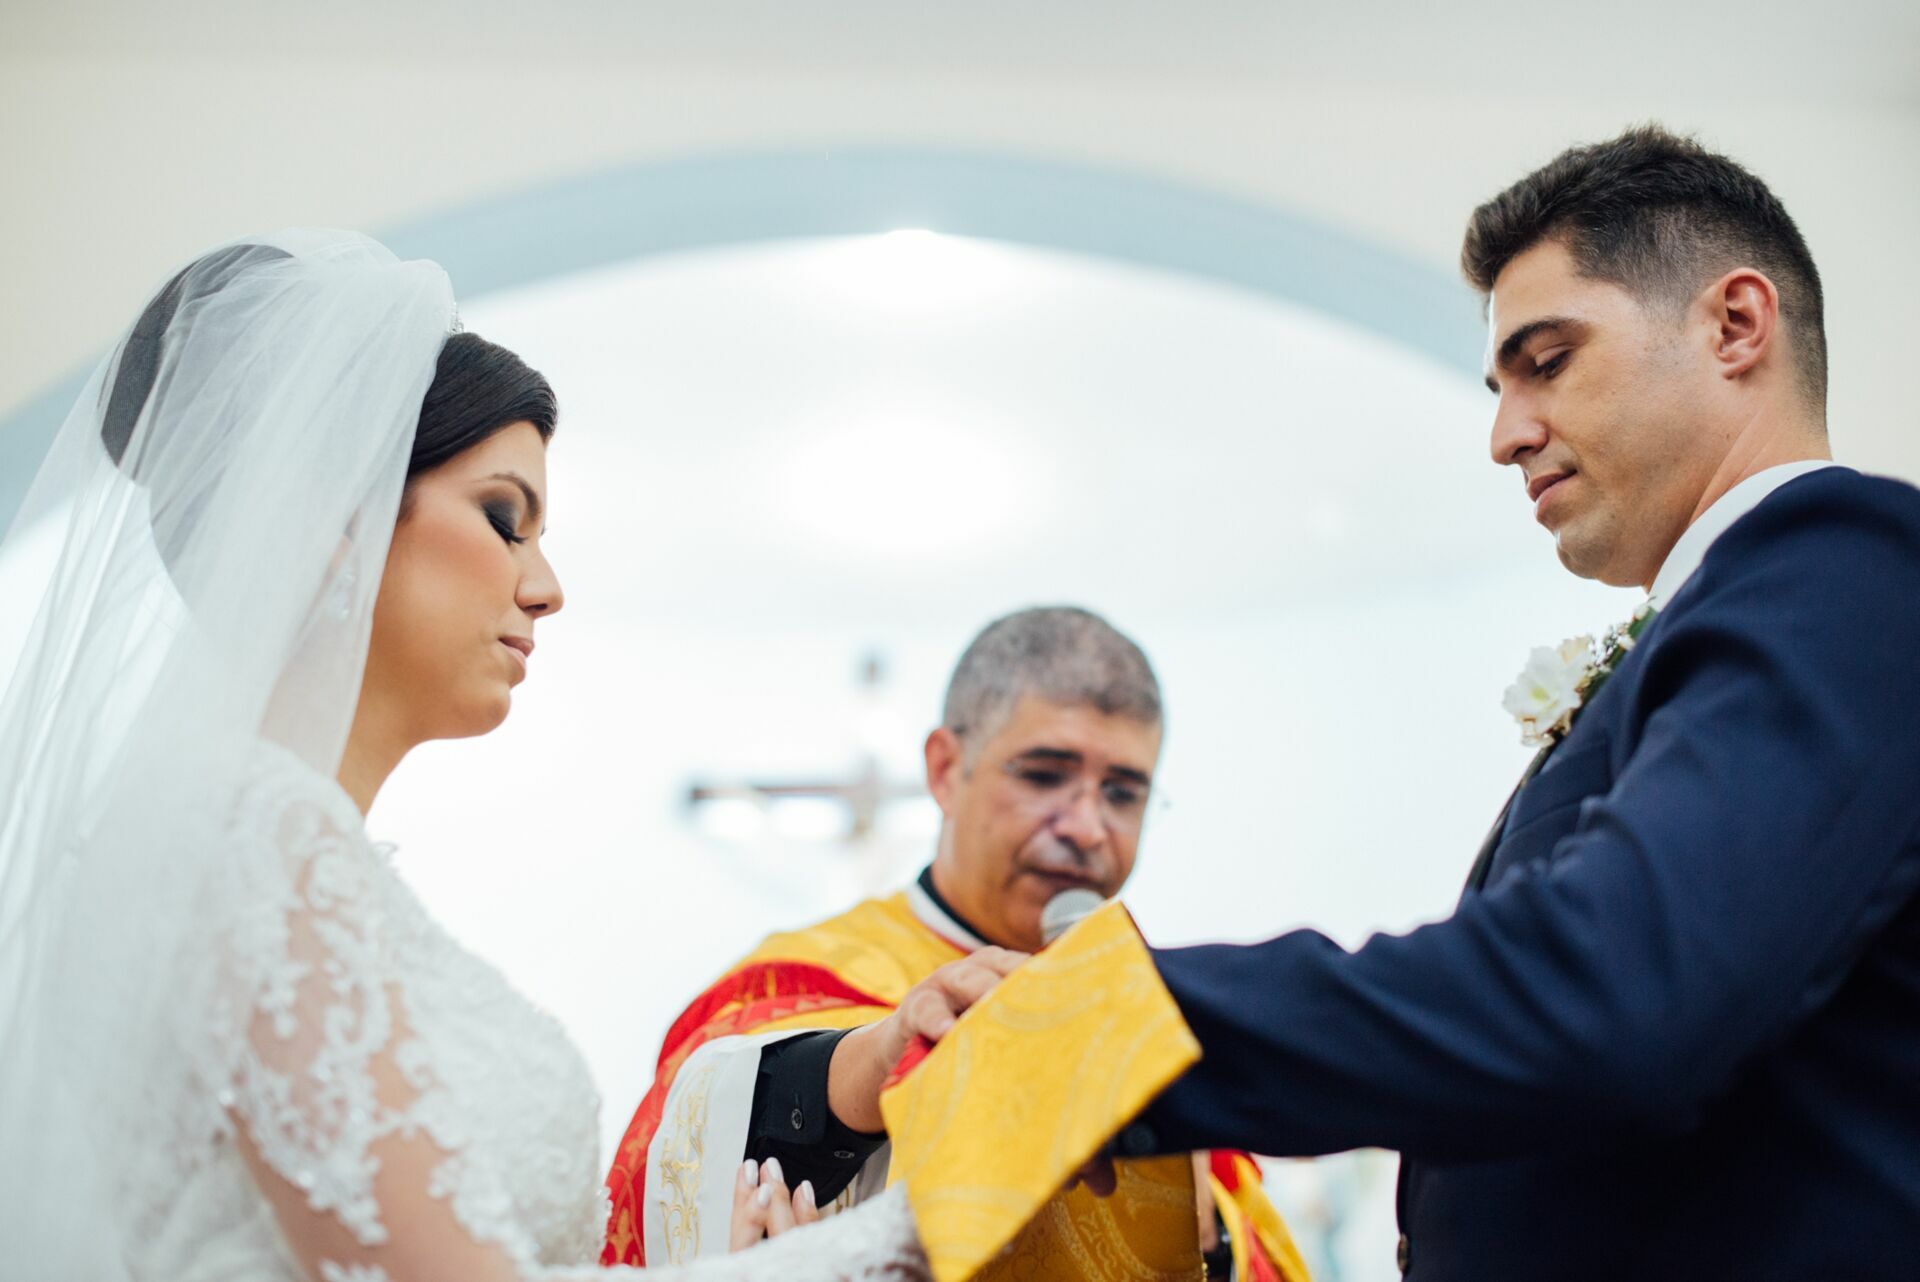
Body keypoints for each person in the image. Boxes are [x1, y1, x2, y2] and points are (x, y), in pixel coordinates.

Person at [0, 232, 925, 1282]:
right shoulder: (244, 831)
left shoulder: (280, 849)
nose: (546, 587)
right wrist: (899, 1237)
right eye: (502, 517)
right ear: (338, 516)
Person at [1086, 127, 1920, 1279]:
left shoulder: (1847, 568)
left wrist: (1114, 1021)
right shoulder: (1740, 610)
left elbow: (1613, 988)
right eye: (1500, 382)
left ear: (1735, 325)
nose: (1504, 434)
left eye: (1548, 360)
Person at [605, 607, 1311, 1281]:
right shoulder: (810, 970)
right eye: (1044, 775)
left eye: (1123, 793)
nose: (1089, 827)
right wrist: (884, 1059)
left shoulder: (1151, 1016)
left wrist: (1205, 1235)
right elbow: (699, 1138)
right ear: (945, 770)